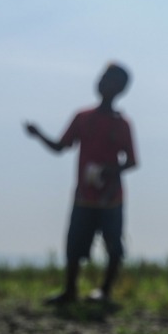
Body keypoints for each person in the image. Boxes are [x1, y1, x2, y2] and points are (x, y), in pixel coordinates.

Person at [25, 63, 137, 304]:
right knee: (75, 244)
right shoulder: (83, 117)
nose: (102, 82)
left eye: (109, 79)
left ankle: (105, 292)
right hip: (83, 195)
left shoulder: (122, 124)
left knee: (113, 247)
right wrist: (38, 134)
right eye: (102, 77)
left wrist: (109, 170)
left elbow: (132, 162)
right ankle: (70, 291)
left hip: (111, 197)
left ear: (120, 88)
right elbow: (60, 146)